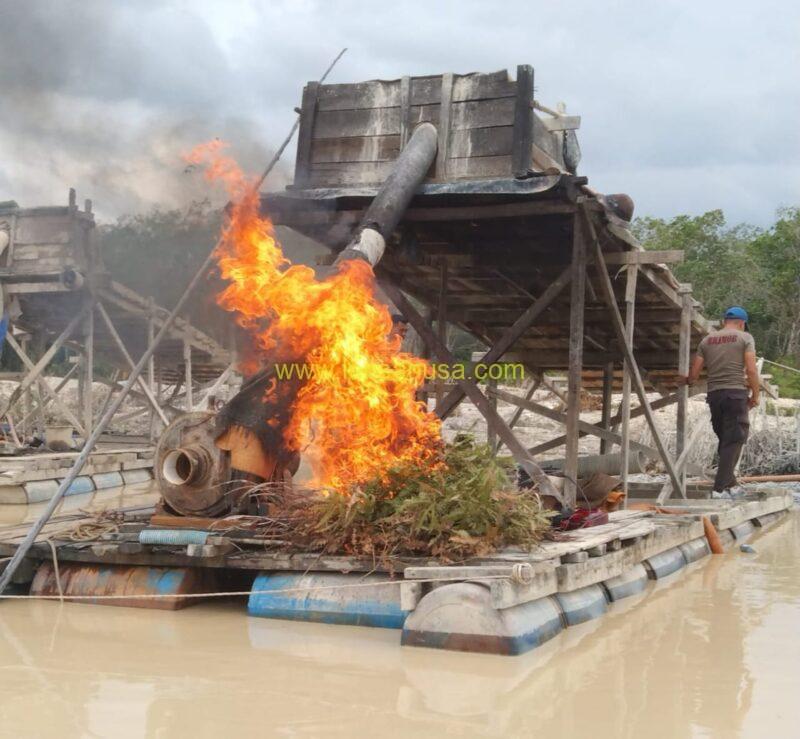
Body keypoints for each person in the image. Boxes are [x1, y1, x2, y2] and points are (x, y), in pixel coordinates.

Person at [683, 306, 760, 497]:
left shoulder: (707, 340)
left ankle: (731, 485)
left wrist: (685, 380)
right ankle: (719, 490)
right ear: (742, 323)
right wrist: (755, 396)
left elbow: (693, 375)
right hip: (735, 394)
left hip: (714, 396)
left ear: (724, 321)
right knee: (735, 439)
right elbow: (751, 370)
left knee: (726, 439)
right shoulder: (745, 338)